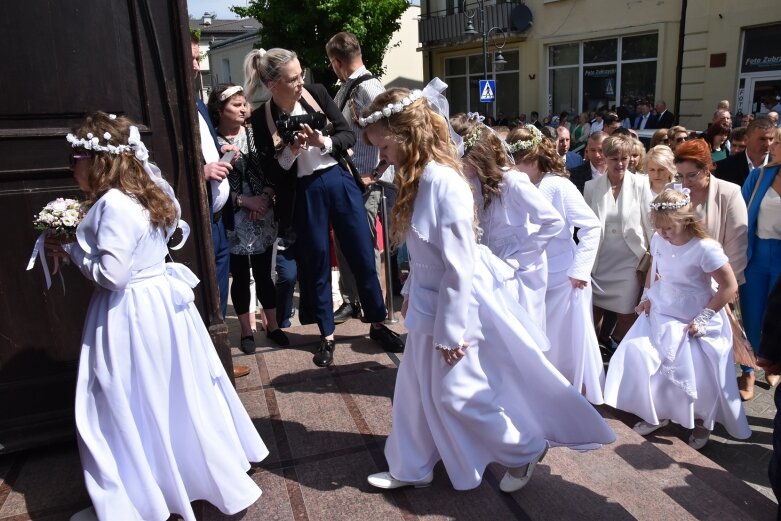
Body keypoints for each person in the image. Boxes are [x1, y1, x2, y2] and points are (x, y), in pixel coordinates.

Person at [360, 86, 615, 493]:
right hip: (430, 300)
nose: (381, 156)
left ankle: (525, 448)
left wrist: (451, 330)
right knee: (413, 390)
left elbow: (459, 264)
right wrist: (410, 295)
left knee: (459, 394)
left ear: (407, 136)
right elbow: (427, 259)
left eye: (385, 146)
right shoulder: (420, 179)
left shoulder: (445, 182)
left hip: (455, 306)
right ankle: (412, 465)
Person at [54, 112, 268, 520]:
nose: (70, 167)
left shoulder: (113, 205)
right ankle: (176, 478)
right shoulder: (147, 193)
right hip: (161, 308)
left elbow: (112, 276)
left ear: (98, 160)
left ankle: (137, 494)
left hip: (130, 312)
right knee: (167, 394)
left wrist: (72, 250)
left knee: (121, 399)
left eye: (74, 157)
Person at [245, 48, 403, 368]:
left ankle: (376, 322)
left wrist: (323, 142)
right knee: (315, 262)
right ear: (273, 84)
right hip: (303, 191)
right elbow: (272, 172)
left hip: (338, 179)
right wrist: (291, 151)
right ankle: (326, 335)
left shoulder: (316, 93)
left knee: (362, 252)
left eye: (301, 74)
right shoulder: (263, 119)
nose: (301, 82)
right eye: (293, 79)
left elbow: (347, 134)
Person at [604, 189, 751, 450]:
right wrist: (648, 296)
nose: (662, 233)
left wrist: (704, 317)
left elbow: (728, 287)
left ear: (684, 220)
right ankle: (657, 412)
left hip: (696, 312)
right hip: (663, 307)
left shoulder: (706, 248)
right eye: (658, 228)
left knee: (701, 373)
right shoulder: (660, 239)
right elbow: (654, 269)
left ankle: (704, 423)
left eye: (668, 228)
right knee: (642, 356)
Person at [507, 125, 605, 404]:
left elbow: (590, 226)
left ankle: (568, 393)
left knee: (565, 340)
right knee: (539, 335)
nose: (515, 168)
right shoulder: (517, 186)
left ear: (535, 157)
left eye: (521, 162)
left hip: (564, 277)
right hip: (530, 275)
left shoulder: (558, 185)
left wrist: (580, 269)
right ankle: (543, 391)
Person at [451, 114, 564, 332]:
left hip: (518, 267)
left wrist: (520, 259)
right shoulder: (472, 182)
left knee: (518, 331)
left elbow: (552, 221)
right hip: (489, 261)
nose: (457, 165)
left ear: (477, 156)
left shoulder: (512, 180)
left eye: (461, 159)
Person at [207, 85, 289, 352]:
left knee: (265, 274)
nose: (244, 109)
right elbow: (211, 189)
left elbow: (273, 167)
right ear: (220, 111)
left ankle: (273, 325)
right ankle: (246, 331)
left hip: (262, 212)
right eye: (236, 105)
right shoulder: (212, 142)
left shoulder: (256, 135)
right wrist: (244, 202)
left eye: (245, 104)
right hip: (234, 216)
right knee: (241, 276)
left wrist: (265, 196)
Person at [191, 34, 251, 379]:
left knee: (217, 297)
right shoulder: (171, 102)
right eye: (192, 59)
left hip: (216, 218)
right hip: (197, 221)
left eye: (199, 58)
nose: (198, 66)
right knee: (205, 297)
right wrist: (202, 171)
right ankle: (208, 370)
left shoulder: (194, 101)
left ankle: (218, 363)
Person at [671, 139, 750, 396]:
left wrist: (731, 285)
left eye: (691, 175)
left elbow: (737, 243)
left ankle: (717, 398)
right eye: (680, 176)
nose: (685, 183)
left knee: (716, 346)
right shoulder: (675, 192)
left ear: (708, 168)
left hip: (717, 285)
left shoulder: (729, 193)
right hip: (682, 283)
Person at [326, 31, 392, 324]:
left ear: (337, 62)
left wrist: (376, 173)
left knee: (364, 246)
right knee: (345, 242)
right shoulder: (347, 87)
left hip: (364, 179)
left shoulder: (368, 88)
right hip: (348, 178)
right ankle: (353, 300)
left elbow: (392, 132)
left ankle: (373, 305)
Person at [584, 135, 654, 347]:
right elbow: (585, 227)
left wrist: (656, 261)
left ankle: (617, 350)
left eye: (624, 158)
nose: (620, 163)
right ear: (604, 158)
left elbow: (651, 224)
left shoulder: (641, 184)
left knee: (626, 314)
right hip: (600, 262)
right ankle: (593, 355)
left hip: (630, 263)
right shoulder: (591, 187)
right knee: (592, 314)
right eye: (614, 158)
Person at [740, 127, 781, 389]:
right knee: (751, 314)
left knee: (776, 315)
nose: (771, 146)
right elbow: (740, 218)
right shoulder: (759, 175)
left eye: (776, 142)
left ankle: (775, 363)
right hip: (756, 254)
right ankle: (748, 369)